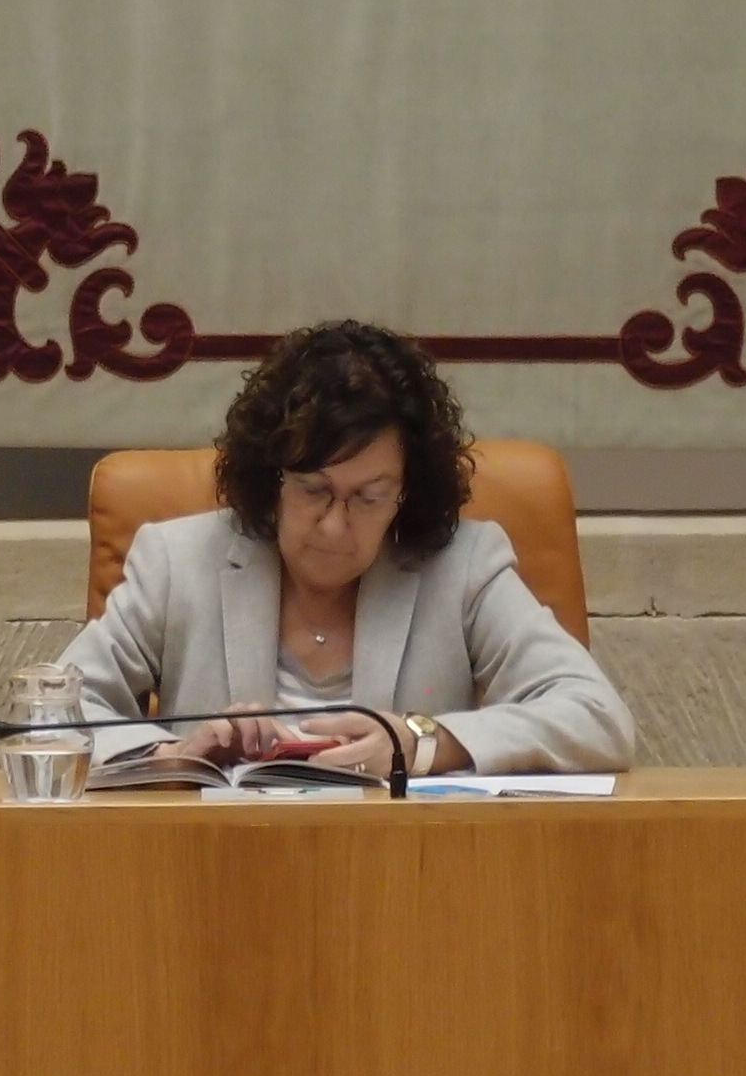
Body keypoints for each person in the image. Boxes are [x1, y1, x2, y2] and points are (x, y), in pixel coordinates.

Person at [60, 320, 634, 777]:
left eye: (369, 497)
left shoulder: (463, 566)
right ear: (270, 479)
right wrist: (172, 755)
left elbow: (596, 717)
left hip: (405, 879)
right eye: (314, 491)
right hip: (211, 875)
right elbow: (48, 719)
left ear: (406, 494)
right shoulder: (176, 560)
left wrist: (421, 742)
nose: (335, 526)